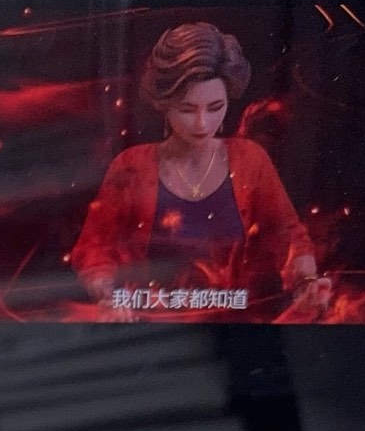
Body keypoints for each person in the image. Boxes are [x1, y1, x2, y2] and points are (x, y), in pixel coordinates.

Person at [70, 23, 328, 319]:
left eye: (215, 107)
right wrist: (109, 297)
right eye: (187, 109)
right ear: (164, 104)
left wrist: (306, 282)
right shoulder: (131, 166)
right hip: (149, 326)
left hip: (233, 325)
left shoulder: (250, 160)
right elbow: (94, 250)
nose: (203, 123)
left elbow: (288, 236)